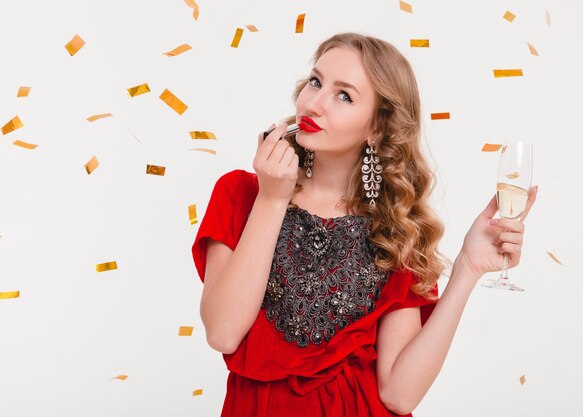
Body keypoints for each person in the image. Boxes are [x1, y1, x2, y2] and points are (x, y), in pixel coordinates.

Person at [191, 32, 538, 417]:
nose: (315, 103)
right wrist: (272, 198)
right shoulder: (239, 193)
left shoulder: (397, 231)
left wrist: (468, 269)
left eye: (344, 95)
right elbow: (222, 332)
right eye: (316, 82)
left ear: (377, 127)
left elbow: (399, 395)